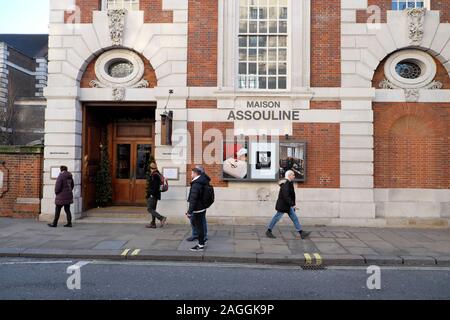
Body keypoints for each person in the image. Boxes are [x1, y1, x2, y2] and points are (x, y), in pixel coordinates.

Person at [266, 170, 310, 239]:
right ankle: (268, 231)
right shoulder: (286, 184)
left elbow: (290, 195)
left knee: (294, 218)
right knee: (276, 218)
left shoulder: (289, 183)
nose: (294, 176)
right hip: (283, 205)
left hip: (287, 206)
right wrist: (293, 205)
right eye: (293, 175)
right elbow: (286, 196)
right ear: (289, 176)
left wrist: (292, 204)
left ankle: (301, 232)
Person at [187, 167, 210, 252]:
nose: (191, 174)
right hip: (202, 207)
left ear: (195, 173)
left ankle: (200, 245)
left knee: (199, 227)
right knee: (200, 226)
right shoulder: (203, 180)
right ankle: (202, 241)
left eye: (192, 173)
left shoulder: (196, 184)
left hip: (198, 208)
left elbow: (193, 199)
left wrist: (189, 212)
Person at [146, 162, 167, 228]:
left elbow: (155, 187)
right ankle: (153, 223)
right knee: (153, 209)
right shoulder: (158, 174)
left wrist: (151, 193)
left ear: (151, 168)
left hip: (153, 195)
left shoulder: (154, 175)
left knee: (149, 209)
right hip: (156, 195)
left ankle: (161, 218)